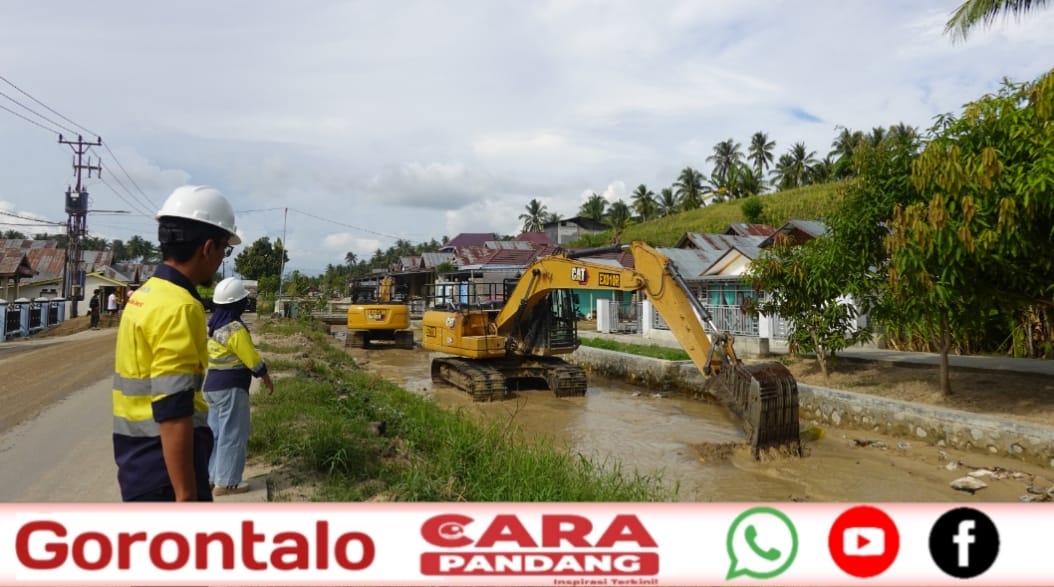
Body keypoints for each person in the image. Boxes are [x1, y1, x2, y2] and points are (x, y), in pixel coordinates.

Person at [111, 185, 240, 502]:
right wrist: (185, 495)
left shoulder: (144, 296)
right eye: (225, 250)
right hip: (167, 473)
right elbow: (173, 409)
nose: (221, 260)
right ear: (207, 247)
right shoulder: (181, 307)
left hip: (137, 462)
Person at [204, 277, 274, 496]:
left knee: (216, 434)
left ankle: (211, 478)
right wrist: (265, 377)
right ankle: (227, 483)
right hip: (231, 387)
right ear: (238, 304)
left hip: (212, 387)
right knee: (233, 434)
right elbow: (251, 359)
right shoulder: (235, 329)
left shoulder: (214, 327)